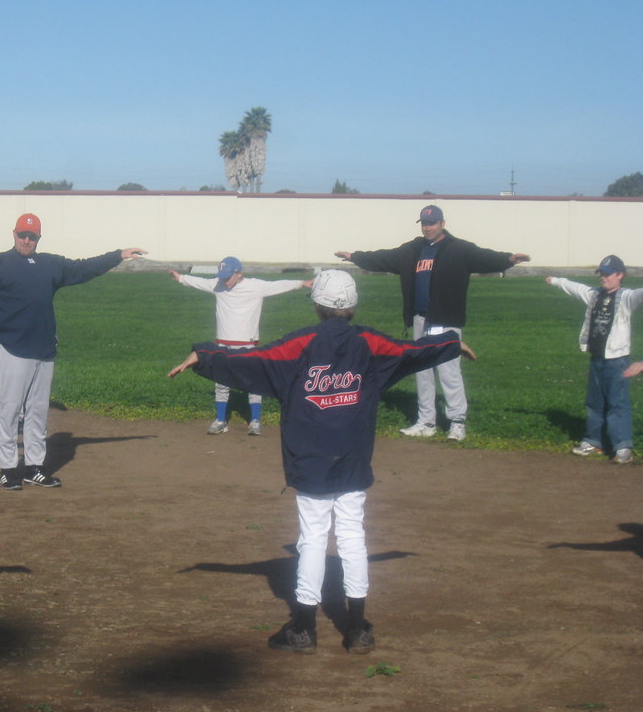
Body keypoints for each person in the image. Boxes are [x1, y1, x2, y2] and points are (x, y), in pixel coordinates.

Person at [168, 269, 476, 655]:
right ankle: (358, 628)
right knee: (353, 536)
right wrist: (449, 344)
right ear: (352, 305)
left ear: (318, 305)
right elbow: (409, 351)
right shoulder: (369, 343)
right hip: (352, 455)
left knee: (312, 539)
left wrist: (205, 356)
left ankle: (303, 629)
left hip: (310, 457)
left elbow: (253, 359)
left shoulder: (300, 344)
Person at [0, 213, 146, 491]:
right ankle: (8, 468)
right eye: (22, 235)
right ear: (13, 234)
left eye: (32, 236)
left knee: (38, 412)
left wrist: (118, 255)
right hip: (13, 348)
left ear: (39, 238)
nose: (26, 240)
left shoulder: (50, 264)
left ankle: (35, 467)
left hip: (44, 349)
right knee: (10, 411)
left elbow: (84, 268)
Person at [334, 205, 529, 441]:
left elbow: (484, 257)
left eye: (433, 223)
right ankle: (426, 421)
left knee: (449, 371)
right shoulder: (413, 249)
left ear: (442, 224)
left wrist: (507, 259)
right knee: (422, 370)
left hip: (445, 318)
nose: (428, 227)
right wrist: (356, 257)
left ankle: (457, 423)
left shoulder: (459, 249)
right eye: (425, 223)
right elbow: (383, 258)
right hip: (420, 318)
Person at [169, 256, 305, 435]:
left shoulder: (255, 286)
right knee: (221, 382)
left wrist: (301, 283)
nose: (224, 281)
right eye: (222, 277)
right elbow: (201, 282)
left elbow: (278, 285)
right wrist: (181, 278)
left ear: (239, 274)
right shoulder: (218, 285)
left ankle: (255, 420)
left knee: (253, 380)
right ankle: (220, 420)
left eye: (227, 277)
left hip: (248, 343)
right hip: (223, 343)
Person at [547, 255, 643, 464]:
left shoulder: (626, 297)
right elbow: (576, 288)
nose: (603, 278)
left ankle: (622, 447)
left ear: (620, 275)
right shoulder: (595, 295)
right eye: (601, 273)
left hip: (617, 361)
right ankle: (593, 441)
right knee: (594, 403)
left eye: (609, 274)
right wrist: (556, 280)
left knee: (617, 404)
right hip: (597, 359)